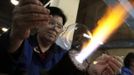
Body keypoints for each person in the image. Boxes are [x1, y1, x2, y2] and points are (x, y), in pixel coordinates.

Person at [0, 0, 67, 75]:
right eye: (51, 23)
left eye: (59, 26)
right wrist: (15, 36)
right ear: (39, 24)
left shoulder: (62, 54)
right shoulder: (23, 41)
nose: (55, 28)